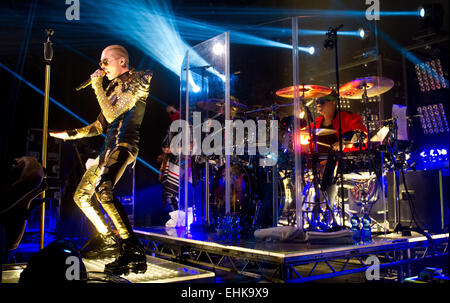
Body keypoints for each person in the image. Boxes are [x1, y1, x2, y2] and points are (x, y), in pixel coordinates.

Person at [50, 45, 152, 275]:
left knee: (105, 191)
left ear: (122, 62)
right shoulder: (113, 88)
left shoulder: (139, 80)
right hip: (107, 150)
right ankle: (107, 238)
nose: (101, 67)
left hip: (124, 145)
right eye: (100, 62)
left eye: (105, 62)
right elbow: (99, 126)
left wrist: (96, 86)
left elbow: (111, 114)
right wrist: (69, 134)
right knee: (82, 196)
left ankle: (132, 250)